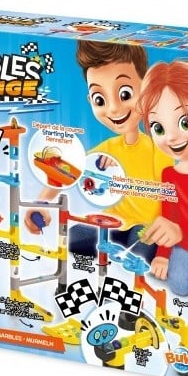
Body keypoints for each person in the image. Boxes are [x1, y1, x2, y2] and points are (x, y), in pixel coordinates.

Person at [24, 41, 161, 263]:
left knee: (140, 254)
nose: (113, 109)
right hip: (114, 225)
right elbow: (66, 172)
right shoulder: (107, 149)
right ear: (90, 101)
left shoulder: (157, 147)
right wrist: (41, 204)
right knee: (72, 238)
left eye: (125, 94)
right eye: (100, 99)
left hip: (147, 228)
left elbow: (175, 196)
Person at [134, 59, 188, 296]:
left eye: (186, 122)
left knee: (181, 284)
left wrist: (183, 234)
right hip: (182, 242)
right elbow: (169, 215)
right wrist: (163, 255)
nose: (171, 137)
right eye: (158, 128)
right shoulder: (169, 175)